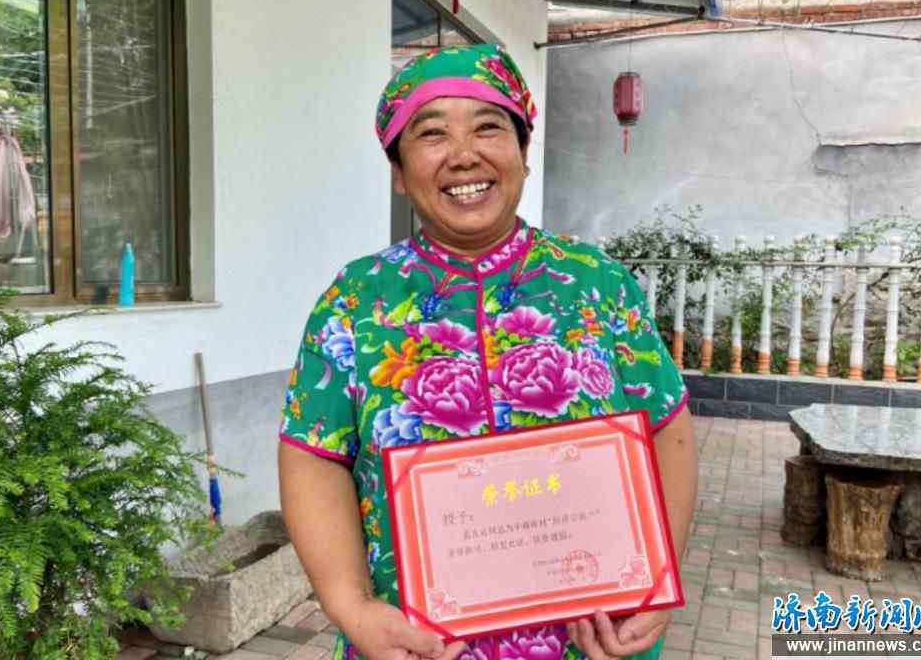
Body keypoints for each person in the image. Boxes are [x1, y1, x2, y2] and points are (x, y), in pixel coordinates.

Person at [278, 44, 698, 660]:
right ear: (399, 170)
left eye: (488, 127)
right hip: (418, 644)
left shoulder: (596, 282)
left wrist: (658, 580)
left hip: (593, 642)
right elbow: (314, 454)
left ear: (523, 153)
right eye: (431, 134)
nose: (464, 153)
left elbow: (667, 429)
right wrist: (352, 608)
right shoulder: (356, 299)